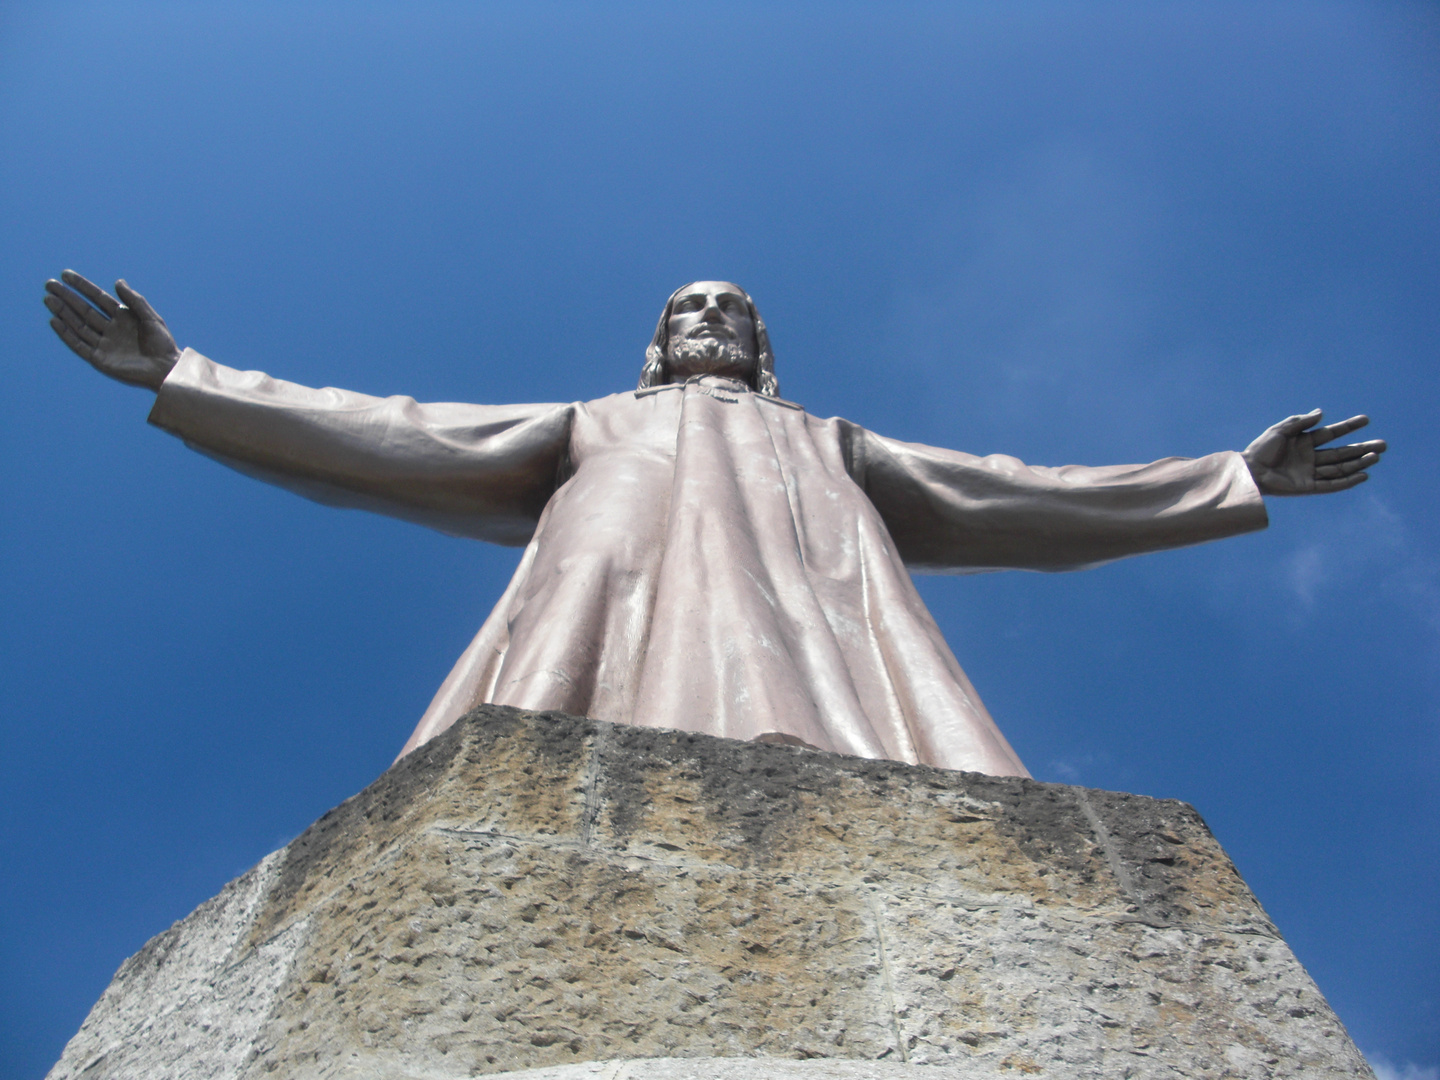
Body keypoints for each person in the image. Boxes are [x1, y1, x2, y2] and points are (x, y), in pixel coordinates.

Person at [44, 272, 1385, 778]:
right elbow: (395, 432)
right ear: (655, 341)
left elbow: (1020, 492)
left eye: (734, 310)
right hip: (603, 610)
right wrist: (189, 375)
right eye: (690, 309)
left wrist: (1229, 475)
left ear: (762, 346)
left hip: (821, 642)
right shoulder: (593, 426)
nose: (711, 320)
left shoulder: (828, 443)